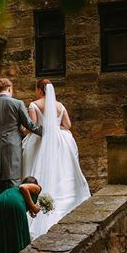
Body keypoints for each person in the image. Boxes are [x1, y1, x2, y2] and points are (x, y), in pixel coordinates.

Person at [22, 79, 91, 240]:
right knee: (61, 172)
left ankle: (36, 204)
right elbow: (67, 124)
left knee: (38, 171)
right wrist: (55, 129)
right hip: (61, 142)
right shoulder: (60, 106)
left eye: (36, 89)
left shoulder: (34, 105)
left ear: (40, 89)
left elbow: (32, 127)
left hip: (40, 141)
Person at [0, 78, 42, 198]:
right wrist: (46, 132)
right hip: (12, 147)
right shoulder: (17, 103)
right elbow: (29, 124)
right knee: (13, 182)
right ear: (9, 89)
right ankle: (12, 211)